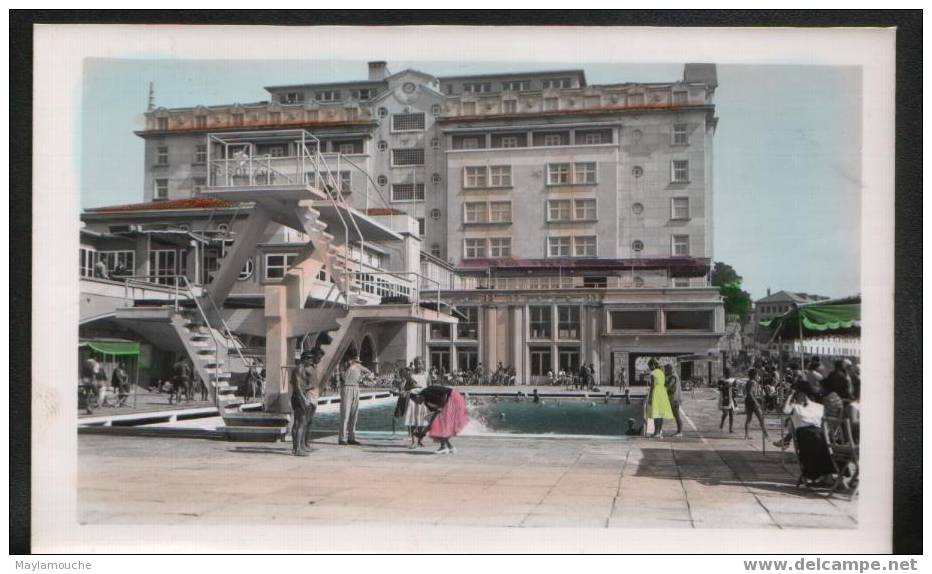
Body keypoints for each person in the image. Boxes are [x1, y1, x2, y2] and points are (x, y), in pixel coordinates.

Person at [782, 383, 835, 485]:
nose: (796, 395)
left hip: (819, 434)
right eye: (795, 394)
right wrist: (789, 395)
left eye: (796, 393)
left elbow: (825, 425)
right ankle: (822, 476)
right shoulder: (795, 407)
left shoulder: (819, 407)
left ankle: (826, 476)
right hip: (804, 434)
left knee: (831, 444)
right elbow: (785, 410)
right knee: (818, 440)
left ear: (803, 393)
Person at [412, 385, 469, 454]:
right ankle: (450, 447)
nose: (417, 403)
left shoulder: (426, 391)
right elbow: (433, 418)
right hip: (450, 401)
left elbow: (445, 393)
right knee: (437, 425)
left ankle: (443, 447)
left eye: (415, 400)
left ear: (418, 395)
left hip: (453, 398)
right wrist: (423, 433)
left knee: (439, 424)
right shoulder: (427, 402)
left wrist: (441, 407)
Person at [290, 348, 324, 456]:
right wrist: (304, 398)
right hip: (299, 397)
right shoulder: (299, 369)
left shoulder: (301, 368)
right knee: (300, 423)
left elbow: (297, 384)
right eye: (309, 359)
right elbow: (298, 387)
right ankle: (297, 449)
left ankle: (296, 447)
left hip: (298, 397)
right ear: (305, 359)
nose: (311, 361)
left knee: (298, 423)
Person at [339, 351, 371, 445]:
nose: (354, 360)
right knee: (345, 414)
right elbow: (344, 378)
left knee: (354, 414)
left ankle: (351, 437)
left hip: (356, 388)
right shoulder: (344, 366)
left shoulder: (358, 366)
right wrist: (349, 367)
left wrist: (362, 377)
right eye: (353, 358)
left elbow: (369, 371)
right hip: (347, 388)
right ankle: (342, 438)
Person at [403, 357, 430, 449]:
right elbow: (406, 388)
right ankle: (414, 441)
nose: (418, 365)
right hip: (413, 400)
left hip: (422, 400)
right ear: (414, 364)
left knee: (422, 422)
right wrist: (412, 387)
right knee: (413, 421)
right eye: (417, 363)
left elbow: (430, 388)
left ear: (423, 364)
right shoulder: (411, 375)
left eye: (420, 363)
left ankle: (420, 440)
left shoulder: (426, 375)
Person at [645, 359, 674, 438]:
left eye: (650, 366)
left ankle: (655, 432)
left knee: (654, 412)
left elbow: (652, 386)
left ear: (653, 365)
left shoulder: (653, 373)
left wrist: (650, 397)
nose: (650, 368)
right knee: (660, 413)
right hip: (662, 392)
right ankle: (659, 431)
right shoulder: (662, 372)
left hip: (656, 392)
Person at [743, 368, 770, 441]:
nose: (758, 376)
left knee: (749, 419)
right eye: (757, 375)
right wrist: (756, 402)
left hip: (748, 402)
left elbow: (746, 392)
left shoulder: (748, 382)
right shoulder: (753, 383)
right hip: (753, 402)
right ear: (754, 375)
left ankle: (746, 436)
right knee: (761, 419)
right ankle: (766, 435)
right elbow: (751, 393)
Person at [663, 364, 684, 437]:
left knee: (677, 415)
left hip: (675, 399)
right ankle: (679, 431)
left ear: (669, 369)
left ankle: (680, 432)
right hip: (674, 398)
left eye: (666, 370)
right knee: (676, 415)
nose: (665, 371)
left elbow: (668, 386)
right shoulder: (673, 375)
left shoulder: (673, 377)